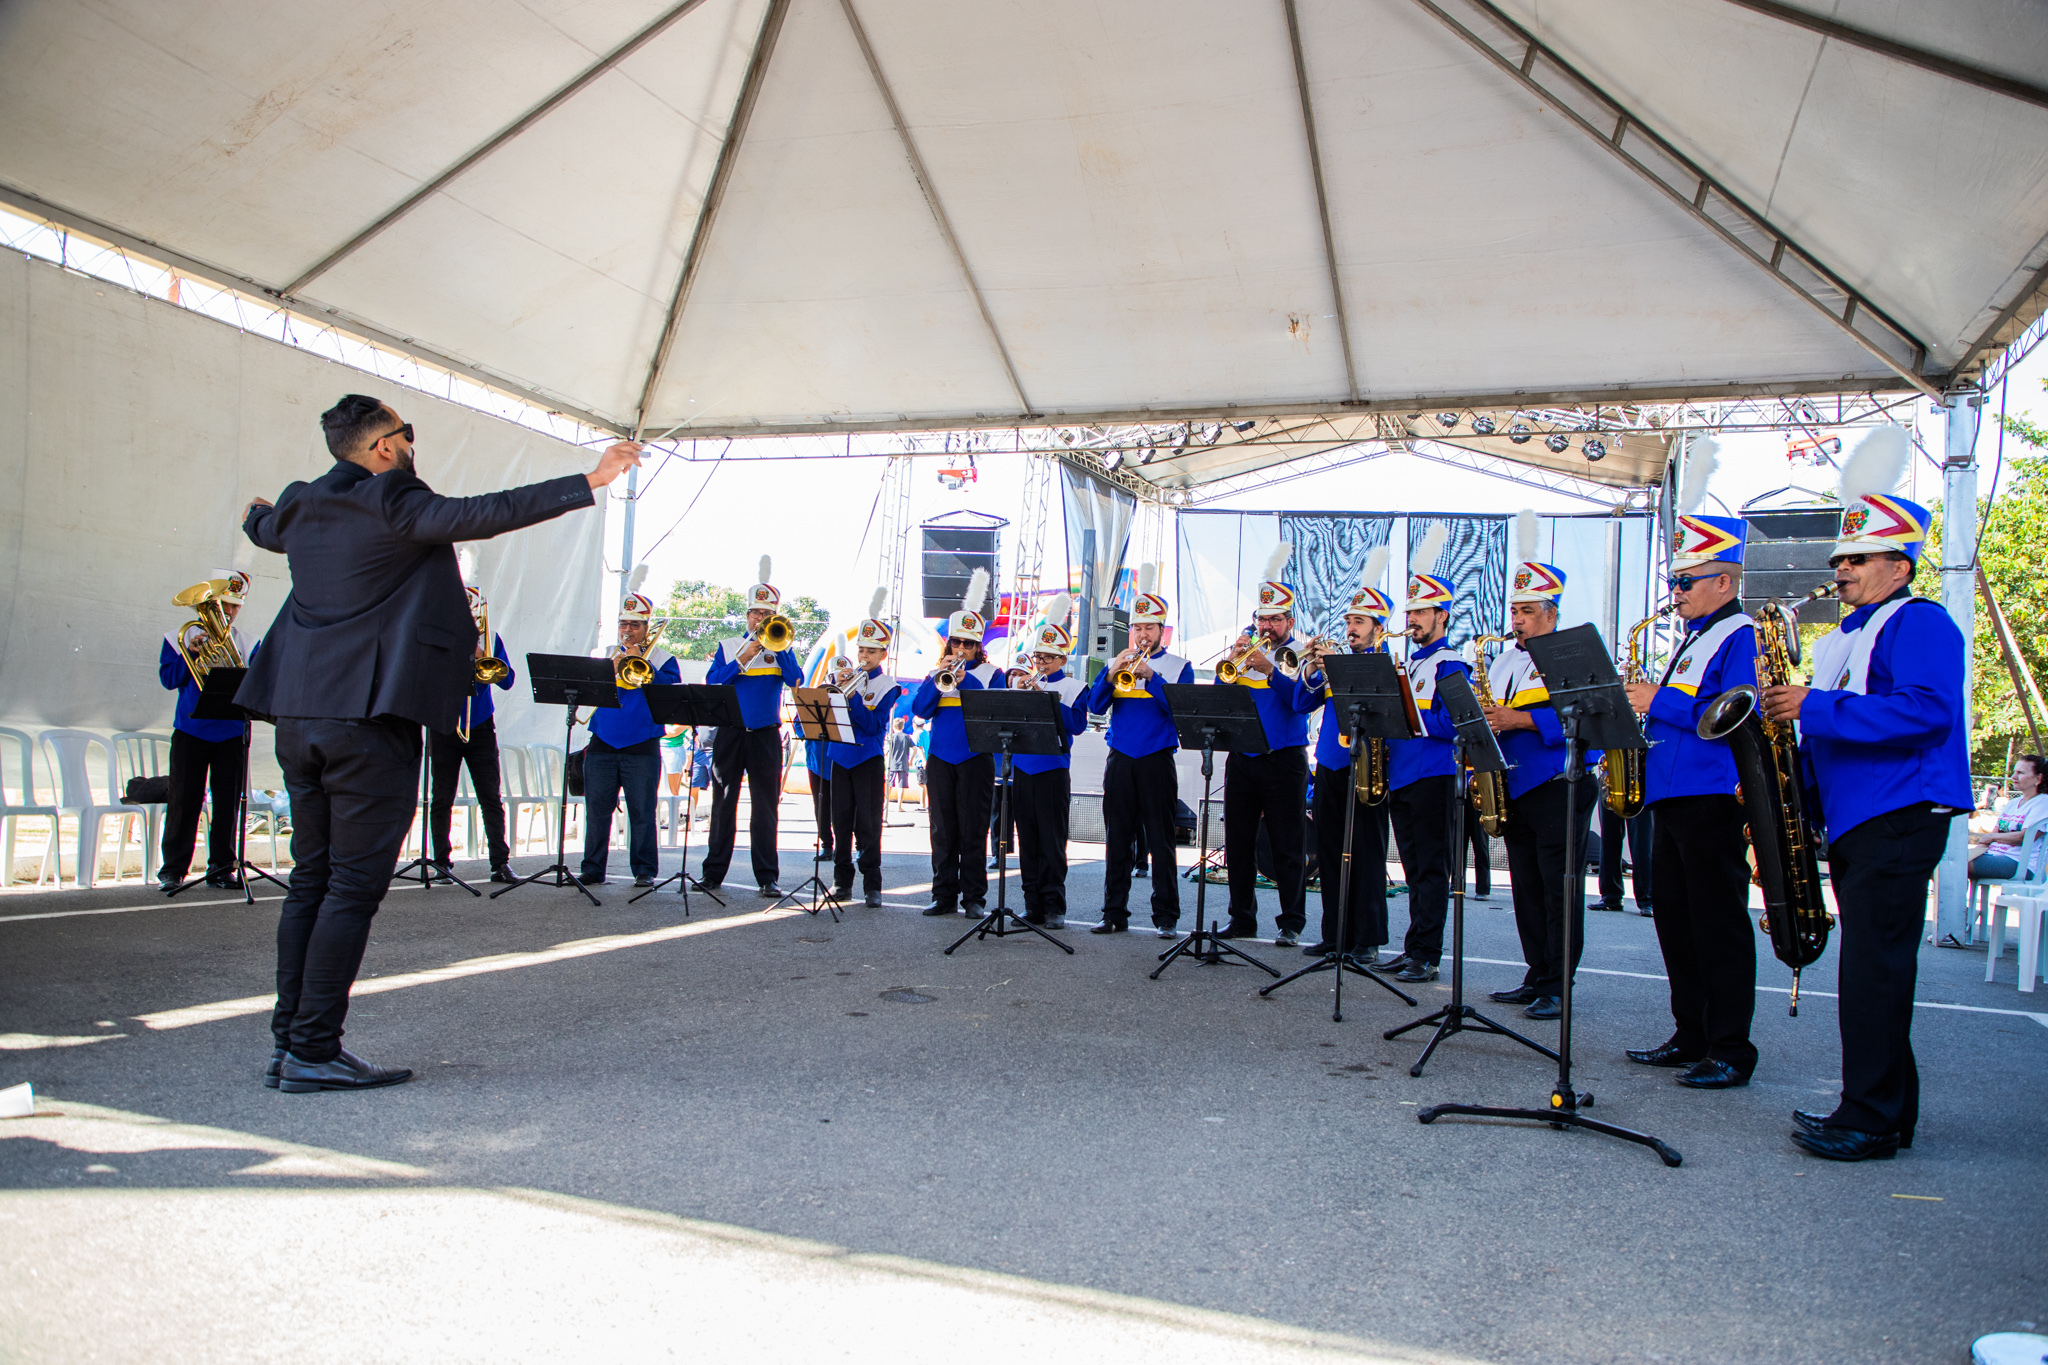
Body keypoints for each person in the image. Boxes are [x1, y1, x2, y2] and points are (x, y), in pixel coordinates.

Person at [238, 392, 636, 1093]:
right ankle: (313, 1047)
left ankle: (287, 1040)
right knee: (351, 888)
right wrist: (593, 480)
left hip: (297, 718)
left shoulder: (300, 506)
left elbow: (264, 528)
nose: (412, 444)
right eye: (407, 434)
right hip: (367, 720)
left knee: (312, 879)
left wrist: (254, 514)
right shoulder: (395, 501)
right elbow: (486, 512)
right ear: (385, 449)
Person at [1762, 455, 1969, 1161]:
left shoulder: (1921, 622)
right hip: (1860, 816)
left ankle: (1871, 1116)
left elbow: (1927, 711)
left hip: (1899, 811)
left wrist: (1815, 706)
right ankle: (1884, 1107)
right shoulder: (1845, 637)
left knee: (1874, 971)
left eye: (1858, 557)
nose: (1842, 569)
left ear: (1900, 566)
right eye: (1840, 557)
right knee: (1872, 969)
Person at [1622, 513, 1761, 1089]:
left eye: (1687, 581)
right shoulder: (1694, 640)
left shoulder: (1741, 634)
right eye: (1675, 581)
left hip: (1711, 794)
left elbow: (1737, 710)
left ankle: (1730, 1046)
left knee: (1718, 922)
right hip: (1672, 793)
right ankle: (1691, 1033)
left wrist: (1658, 700)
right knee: (1675, 920)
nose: (1675, 593)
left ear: (1724, 582)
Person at [1482, 556, 1601, 1021]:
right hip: (1514, 784)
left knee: (1559, 890)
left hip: (1558, 783)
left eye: (1528, 611)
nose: (1517, 620)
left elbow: (1590, 712)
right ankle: (1536, 974)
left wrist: (1522, 719)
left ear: (1551, 613)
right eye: (1515, 611)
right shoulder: (1506, 659)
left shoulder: (1572, 651)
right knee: (1527, 889)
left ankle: (1558, 983)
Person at [1290, 557, 1395, 960]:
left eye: (1361, 621)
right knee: (1331, 853)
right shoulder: (1335, 663)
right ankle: (1334, 934)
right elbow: (1301, 703)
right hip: (1331, 767)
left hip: (1367, 769)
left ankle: (1366, 939)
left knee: (1366, 854)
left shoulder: (1385, 664)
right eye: (1350, 620)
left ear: (1378, 628)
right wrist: (1314, 670)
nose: (1351, 628)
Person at [1373, 566, 1472, 983]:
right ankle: (1414, 946)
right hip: (1402, 776)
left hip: (1433, 775)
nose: (1412, 619)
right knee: (1413, 868)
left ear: (1442, 616)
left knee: (1431, 868)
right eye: (1410, 611)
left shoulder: (1451, 665)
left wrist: (1411, 715)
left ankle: (1427, 954)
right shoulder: (1408, 664)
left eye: (1422, 611)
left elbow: (1457, 724)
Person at [1213, 547, 1313, 946]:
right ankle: (1242, 920)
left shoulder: (1302, 654)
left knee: (1288, 843)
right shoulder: (1245, 651)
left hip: (1284, 758)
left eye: (1275, 619)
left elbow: (1303, 702)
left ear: (1289, 620)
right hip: (1243, 757)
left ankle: (1291, 923)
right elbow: (1221, 698)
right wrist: (1233, 661)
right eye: (1262, 618)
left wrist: (1271, 671)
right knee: (1238, 843)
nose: (1267, 625)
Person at [1087, 571, 1193, 936]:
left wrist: (1152, 676)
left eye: (1150, 628)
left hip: (1157, 758)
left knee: (1161, 840)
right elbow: (1096, 706)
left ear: (1163, 631)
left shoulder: (1178, 667)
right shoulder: (1119, 663)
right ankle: (1113, 912)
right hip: (1119, 758)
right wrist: (1109, 673)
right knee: (1117, 839)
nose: (1143, 635)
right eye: (1138, 628)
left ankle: (1166, 917)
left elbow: (1181, 711)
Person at [702, 557, 804, 897]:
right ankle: (713, 873)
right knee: (723, 804)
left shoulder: (781, 646)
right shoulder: (729, 647)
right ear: (747, 615)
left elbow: (796, 680)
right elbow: (713, 682)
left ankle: (767, 877)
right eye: (755, 613)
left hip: (765, 735)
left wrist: (782, 648)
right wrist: (741, 660)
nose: (759, 620)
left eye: (766, 615)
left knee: (765, 808)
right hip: (730, 732)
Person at [911, 569, 1006, 916]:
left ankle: (974, 898)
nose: (961, 648)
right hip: (940, 757)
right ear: (949, 642)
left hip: (975, 758)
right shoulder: (937, 673)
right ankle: (943, 894)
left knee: (972, 830)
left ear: (978, 646)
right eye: (956, 642)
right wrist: (938, 679)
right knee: (942, 830)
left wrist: (964, 682)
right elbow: (921, 709)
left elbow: (991, 712)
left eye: (968, 643)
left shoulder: (992, 675)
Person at [157, 568, 258, 892]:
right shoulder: (179, 637)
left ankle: (222, 867)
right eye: (223, 605)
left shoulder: (247, 642)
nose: (228, 612)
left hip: (230, 731)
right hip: (191, 729)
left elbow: (254, 684)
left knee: (228, 801)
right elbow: (169, 680)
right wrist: (194, 655)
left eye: (234, 606)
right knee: (184, 799)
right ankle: (173, 870)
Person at [582, 585, 681, 887]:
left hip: (642, 743)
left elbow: (671, 694)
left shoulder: (664, 658)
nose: (627, 630)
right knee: (597, 809)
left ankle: (644, 870)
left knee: (641, 811)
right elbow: (587, 690)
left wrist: (644, 662)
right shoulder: (604, 653)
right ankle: (592, 868)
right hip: (602, 741)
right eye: (623, 624)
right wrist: (608, 669)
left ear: (646, 628)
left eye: (634, 625)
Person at [1008, 600, 1091, 928]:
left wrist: (1046, 697)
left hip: (1053, 769)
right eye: (1037, 657)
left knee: (1052, 839)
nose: (1040, 663)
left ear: (1061, 659)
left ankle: (1054, 905)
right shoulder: (1024, 683)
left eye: (1046, 657)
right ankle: (1032, 905)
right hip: (1023, 768)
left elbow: (1076, 725)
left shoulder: (1073, 688)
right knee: (1027, 838)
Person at [429, 582, 516, 883]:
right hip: (444, 723)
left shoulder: (489, 638)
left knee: (490, 796)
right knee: (441, 797)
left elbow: (507, 681)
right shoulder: (439, 635)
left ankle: (500, 864)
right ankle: (441, 863)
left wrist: (482, 655)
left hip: (480, 725)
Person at [829, 605, 904, 908]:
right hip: (839, 756)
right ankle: (841, 882)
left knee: (869, 825)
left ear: (883, 654)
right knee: (840, 822)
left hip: (867, 759)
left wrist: (855, 695)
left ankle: (872, 884)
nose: (864, 656)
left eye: (871, 651)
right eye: (861, 649)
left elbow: (873, 726)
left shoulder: (888, 686)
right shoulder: (843, 678)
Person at [1968, 754, 2047, 879]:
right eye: (2014, 772)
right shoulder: (2012, 803)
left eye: (2020, 773)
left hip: (2019, 863)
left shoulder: (2043, 802)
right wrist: (1974, 851)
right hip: (1992, 855)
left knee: (1955, 865)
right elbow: (1992, 835)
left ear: (2038, 779)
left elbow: (2024, 837)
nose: (2013, 777)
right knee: (1945, 861)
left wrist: (1992, 837)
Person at [1593, 804, 1651, 915]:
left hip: (1640, 788)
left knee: (1642, 840)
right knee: (1608, 836)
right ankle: (1610, 895)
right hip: (1611, 788)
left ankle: (1647, 899)